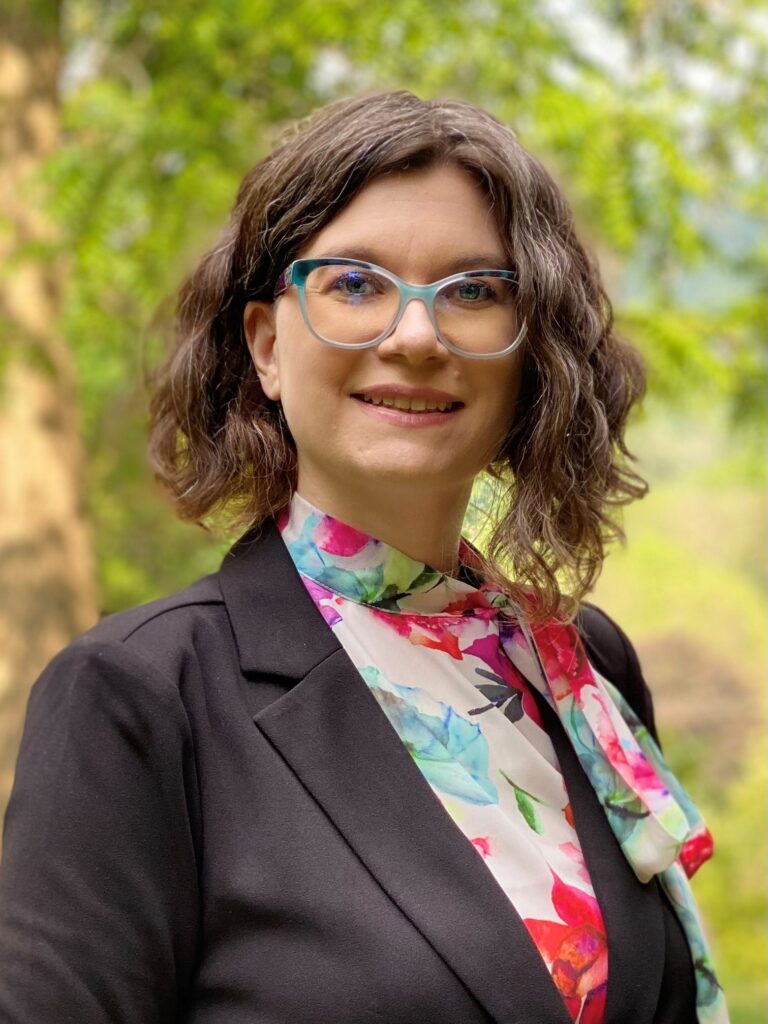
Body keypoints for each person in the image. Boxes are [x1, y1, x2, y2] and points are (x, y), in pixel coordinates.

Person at [0, 91, 727, 1024]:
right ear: (266, 345)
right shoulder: (138, 697)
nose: (415, 336)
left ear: (528, 355)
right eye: (353, 284)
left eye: (473, 292)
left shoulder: (581, 670)